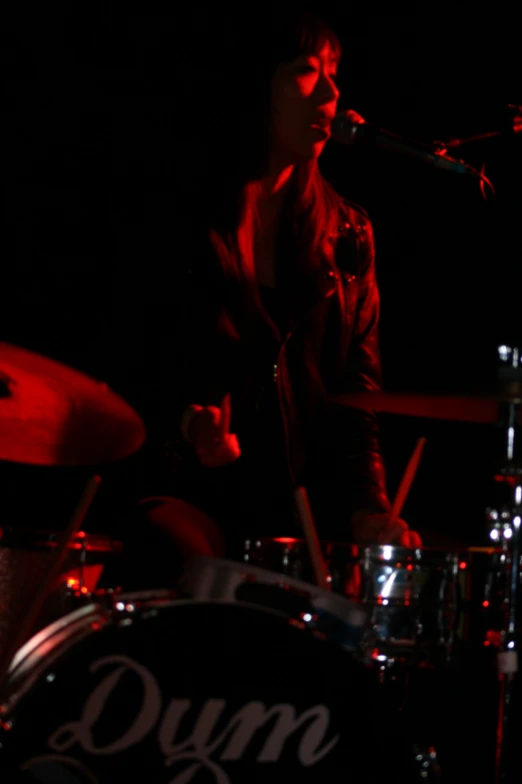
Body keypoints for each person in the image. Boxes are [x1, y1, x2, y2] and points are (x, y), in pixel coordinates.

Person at [130, 6, 422, 583]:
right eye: (306, 70)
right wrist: (191, 425)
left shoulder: (348, 234)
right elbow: (134, 367)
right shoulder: (176, 218)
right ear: (254, 86)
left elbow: (358, 398)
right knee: (181, 559)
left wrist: (370, 509)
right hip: (194, 498)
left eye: (334, 71)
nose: (332, 92)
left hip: (306, 514)